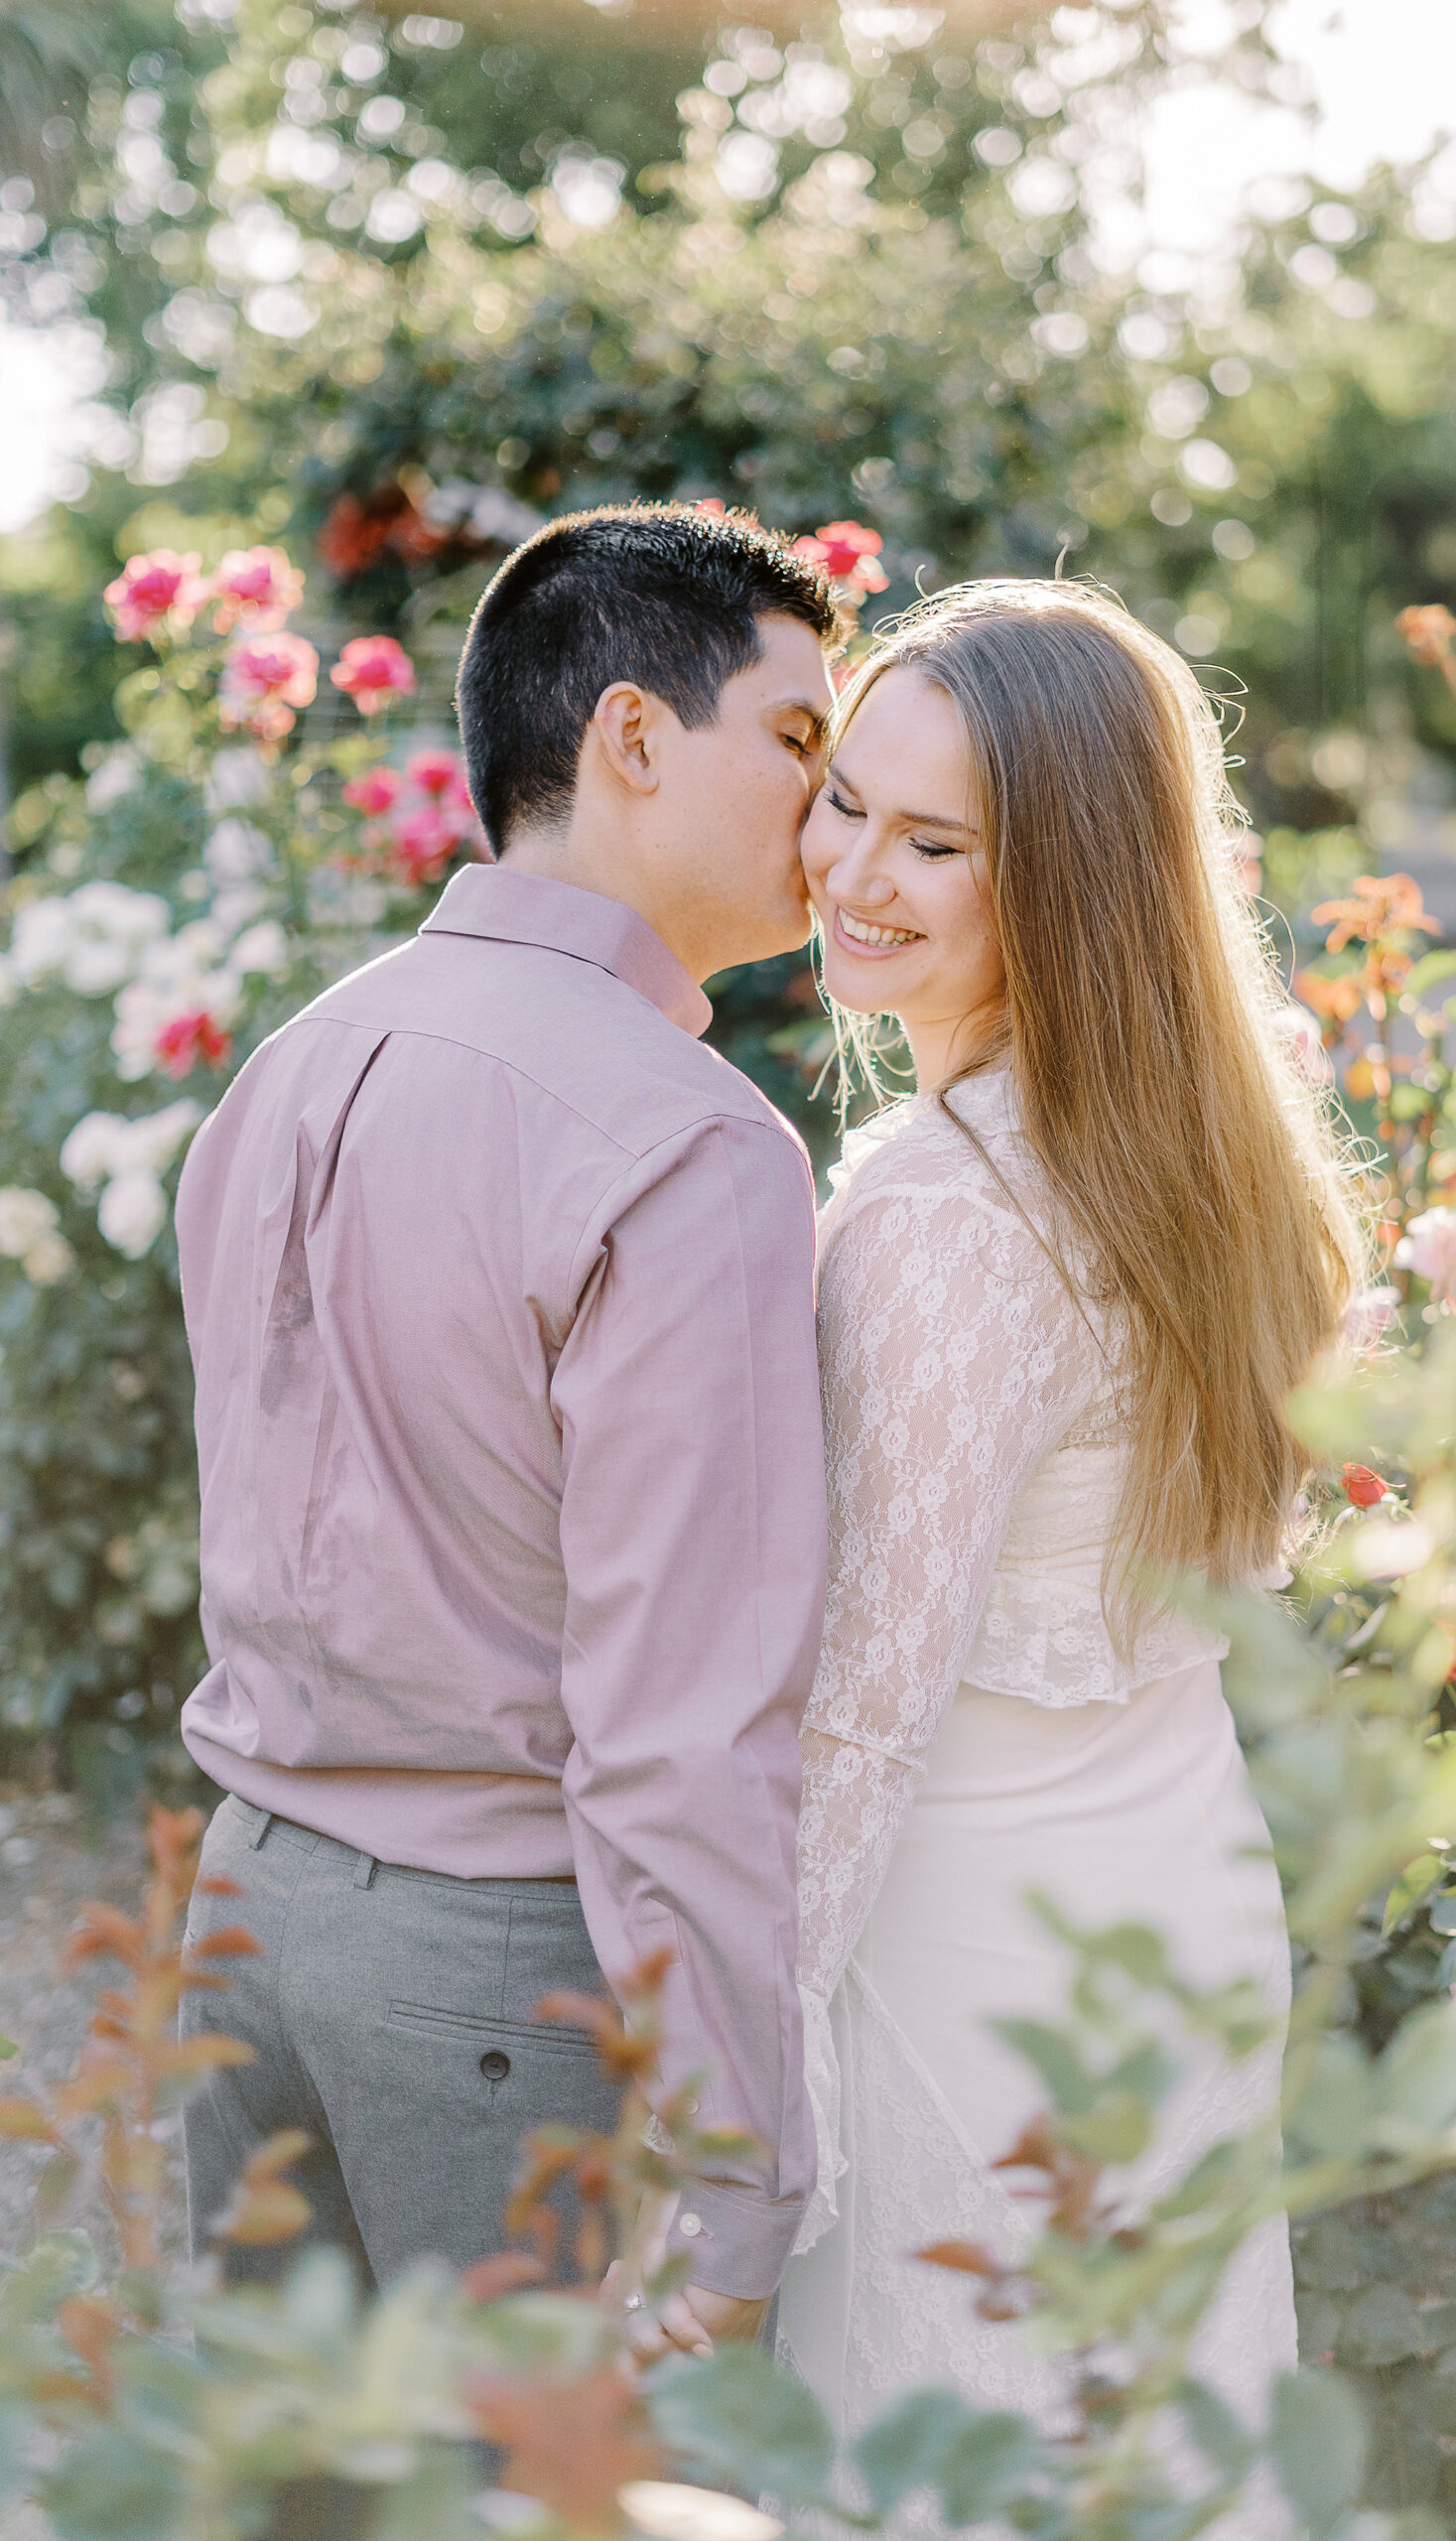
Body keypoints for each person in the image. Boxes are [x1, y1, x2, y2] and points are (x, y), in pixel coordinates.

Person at [176, 502, 838, 2351]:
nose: (831, 800)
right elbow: (680, 1729)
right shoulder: (688, 1145)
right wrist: (736, 2179)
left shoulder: (296, 1058)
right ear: (633, 736)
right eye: (796, 738)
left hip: (245, 1906)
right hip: (492, 1967)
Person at [774, 580, 1363, 2515]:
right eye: (840, 797)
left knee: (956, 2443)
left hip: (970, 1965)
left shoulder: (944, 1209)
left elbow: (860, 1707)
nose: (849, 870)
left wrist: (742, 2067)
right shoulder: (1188, 1161)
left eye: (931, 841)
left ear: (1071, 876)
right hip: (1171, 1905)